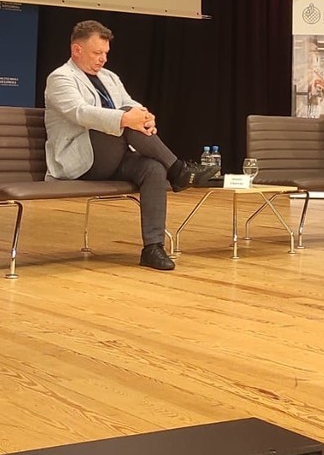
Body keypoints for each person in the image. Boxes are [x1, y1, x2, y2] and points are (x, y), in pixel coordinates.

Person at [43, 20, 211, 271]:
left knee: (153, 168)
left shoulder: (109, 77)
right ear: (76, 50)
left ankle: (153, 247)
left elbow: (131, 104)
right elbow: (80, 112)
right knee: (125, 119)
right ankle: (178, 170)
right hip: (80, 160)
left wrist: (145, 116)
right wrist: (126, 118)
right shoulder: (60, 78)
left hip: (113, 156)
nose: (103, 59)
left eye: (106, 53)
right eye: (97, 53)